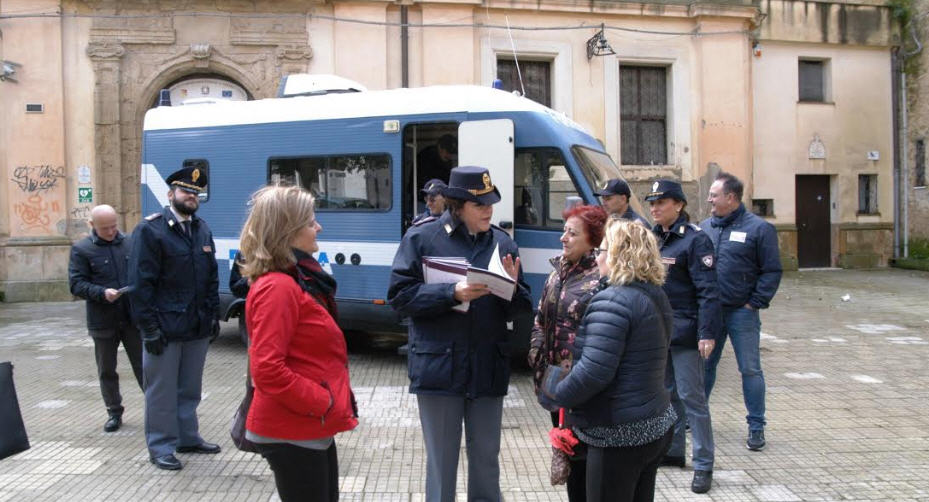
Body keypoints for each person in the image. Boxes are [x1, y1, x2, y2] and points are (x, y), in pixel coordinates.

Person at [388, 166, 533, 502]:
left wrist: (510, 289)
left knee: (486, 462)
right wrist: (450, 293)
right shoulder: (422, 238)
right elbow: (399, 297)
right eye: (479, 204)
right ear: (457, 205)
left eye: (490, 204)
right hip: (440, 368)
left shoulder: (503, 242)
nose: (488, 210)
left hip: (486, 368)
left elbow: (521, 306)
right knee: (441, 465)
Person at [540, 218, 676, 502]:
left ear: (617, 255)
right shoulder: (655, 294)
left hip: (618, 434)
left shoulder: (612, 300)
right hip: (654, 424)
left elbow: (593, 373)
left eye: (601, 250)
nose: (597, 256)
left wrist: (553, 391)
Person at [238, 185, 358, 502]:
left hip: (307, 427)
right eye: (309, 222)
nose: (318, 227)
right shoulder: (278, 286)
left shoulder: (295, 279)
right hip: (294, 427)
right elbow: (266, 369)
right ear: (287, 233)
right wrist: (322, 401)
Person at [129, 166, 221, 471]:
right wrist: (149, 329)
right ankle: (161, 446)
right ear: (171, 195)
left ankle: (188, 437)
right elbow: (141, 285)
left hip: (195, 327)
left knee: (189, 388)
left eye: (196, 194)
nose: (191, 197)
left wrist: (212, 317)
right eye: (186, 191)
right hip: (164, 329)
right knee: (161, 391)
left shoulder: (202, 229)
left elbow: (210, 279)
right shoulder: (151, 230)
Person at [528, 204, 607, 502]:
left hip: (583, 390)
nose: (563, 238)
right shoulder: (557, 272)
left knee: (586, 464)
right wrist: (536, 355)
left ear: (593, 240)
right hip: (556, 386)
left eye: (572, 233)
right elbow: (540, 318)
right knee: (569, 457)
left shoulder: (600, 278)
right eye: (564, 231)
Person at [646, 180, 720, 494]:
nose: (655, 208)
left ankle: (703, 463)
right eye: (652, 202)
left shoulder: (694, 241)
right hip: (659, 331)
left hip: (688, 332)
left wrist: (707, 333)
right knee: (665, 395)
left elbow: (708, 291)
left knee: (692, 398)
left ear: (678, 205)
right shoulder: (654, 238)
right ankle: (673, 451)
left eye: (661, 202)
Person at [701, 171, 782, 451]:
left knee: (750, 369)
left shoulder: (759, 229)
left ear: (731, 198)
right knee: (705, 366)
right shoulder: (705, 228)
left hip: (742, 313)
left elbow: (772, 271)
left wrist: (754, 302)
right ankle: (695, 419)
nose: (709, 199)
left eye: (714, 194)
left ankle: (756, 427)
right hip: (711, 313)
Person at [68, 204, 143, 433]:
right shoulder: (81, 249)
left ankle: (159, 410)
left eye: (113, 226)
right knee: (107, 369)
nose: (111, 232)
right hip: (103, 320)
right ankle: (113, 412)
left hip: (131, 318)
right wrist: (101, 293)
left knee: (145, 367)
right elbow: (76, 284)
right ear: (92, 226)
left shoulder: (130, 242)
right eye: (105, 229)